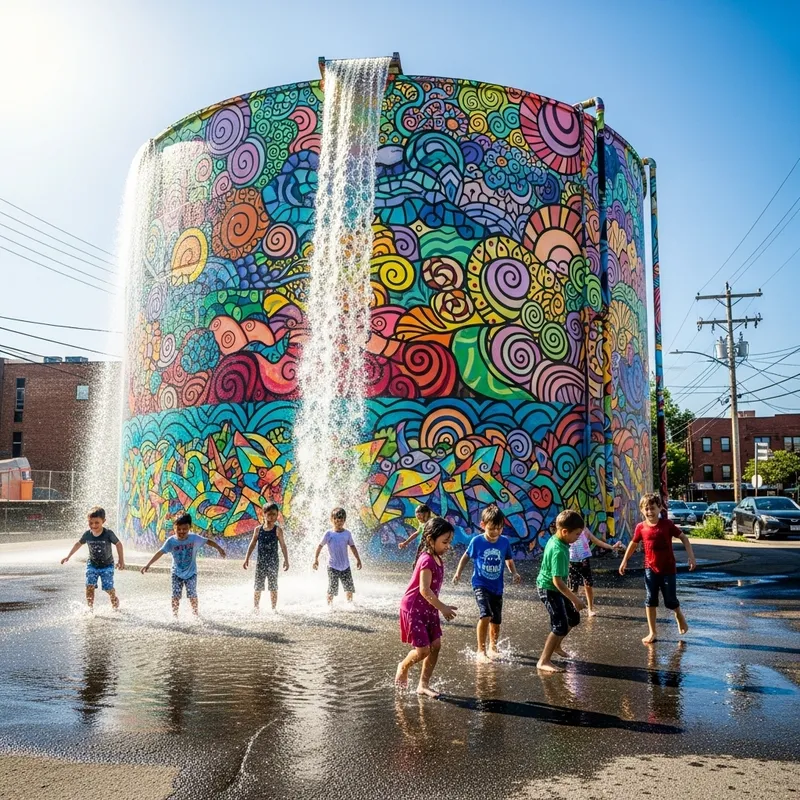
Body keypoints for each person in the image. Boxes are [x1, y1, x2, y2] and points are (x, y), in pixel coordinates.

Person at [619, 492, 696, 645]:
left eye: (652, 508)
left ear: (660, 508)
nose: (649, 512)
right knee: (650, 600)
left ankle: (678, 615)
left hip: (668, 569)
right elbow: (633, 544)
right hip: (650, 569)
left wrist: (691, 557)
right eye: (646, 509)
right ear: (642, 510)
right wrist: (624, 560)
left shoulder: (667, 525)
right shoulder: (640, 527)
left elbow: (683, 537)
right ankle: (652, 632)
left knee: (670, 601)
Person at [395, 516, 458, 697]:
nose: (448, 546)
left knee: (436, 645)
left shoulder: (438, 558)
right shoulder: (427, 560)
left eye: (449, 542)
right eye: (444, 542)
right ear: (430, 539)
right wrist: (443, 607)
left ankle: (423, 684)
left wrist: (437, 607)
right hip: (414, 609)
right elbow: (424, 590)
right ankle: (403, 666)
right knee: (423, 650)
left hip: (428, 608)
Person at [452, 503, 521, 662]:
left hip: (497, 587)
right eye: (491, 529)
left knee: (496, 620)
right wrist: (458, 572)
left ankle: (493, 647)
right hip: (480, 584)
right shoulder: (477, 541)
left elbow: (509, 560)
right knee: (486, 615)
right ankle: (480, 651)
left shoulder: (504, 542)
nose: (495, 532)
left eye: (499, 528)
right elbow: (466, 557)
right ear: (483, 525)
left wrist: (514, 572)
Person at [140, 512, 227, 617]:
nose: (181, 532)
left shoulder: (194, 538)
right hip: (176, 573)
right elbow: (160, 552)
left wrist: (219, 549)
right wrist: (148, 564)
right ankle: (175, 615)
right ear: (174, 528)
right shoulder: (171, 541)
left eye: (185, 529)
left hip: (191, 573)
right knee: (175, 596)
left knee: (192, 595)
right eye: (179, 529)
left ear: (189, 527)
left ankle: (195, 614)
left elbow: (208, 541)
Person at [536, 509, 586, 673]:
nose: (578, 537)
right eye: (577, 534)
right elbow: (557, 581)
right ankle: (543, 661)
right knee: (559, 625)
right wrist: (575, 599)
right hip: (549, 589)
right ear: (564, 531)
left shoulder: (560, 540)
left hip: (555, 587)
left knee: (573, 618)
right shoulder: (558, 550)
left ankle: (556, 645)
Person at [61, 506, 124, 611]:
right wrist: (68, 556)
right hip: (92, 564)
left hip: (107, 565)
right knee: (89, 585)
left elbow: (118, 544)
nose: (93, 525)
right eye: (90, 523)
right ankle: (90, 608)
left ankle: (114, 598)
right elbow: (78, 544)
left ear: (103, 521)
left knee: (108, 587)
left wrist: (121, 560)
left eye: (96, 523)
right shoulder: (87, 534)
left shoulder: (108, 533)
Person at [243, 502, 289, 611]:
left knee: (273, 586)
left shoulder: (278, 530)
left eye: (274, 514)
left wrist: (286, 560)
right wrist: (247, 558)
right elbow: (253, 543)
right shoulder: (258, 530)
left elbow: (283, 545)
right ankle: (256, 607)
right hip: (261, 562)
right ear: (264, 514)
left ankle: (273, 608)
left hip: (273, 562)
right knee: (258, 586)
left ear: (277, 515)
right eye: (269, 514)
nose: (272, 517)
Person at [568, 526, 623, 616]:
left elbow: (597, 541)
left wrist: (611, 547)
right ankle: (572, 609)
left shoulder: (585, 530)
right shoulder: (569, 531)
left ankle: (590, 609)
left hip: (584, 561)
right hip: (571, 562)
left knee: (588, 584)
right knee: (573, 587)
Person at [312, 508, 362, 604]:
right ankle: (329, 606)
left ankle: (350, 605)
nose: (338, 522)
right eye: (336, 520)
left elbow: (352, 546)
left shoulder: (347, 534)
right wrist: (316, 559)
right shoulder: (329, 534)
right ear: (332, 519)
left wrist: (358, 559)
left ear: (344, 520)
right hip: (333, 567)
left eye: (341, 520)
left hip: (345, 566)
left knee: (349, 589)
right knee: (332, 589)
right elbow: (320, 546)